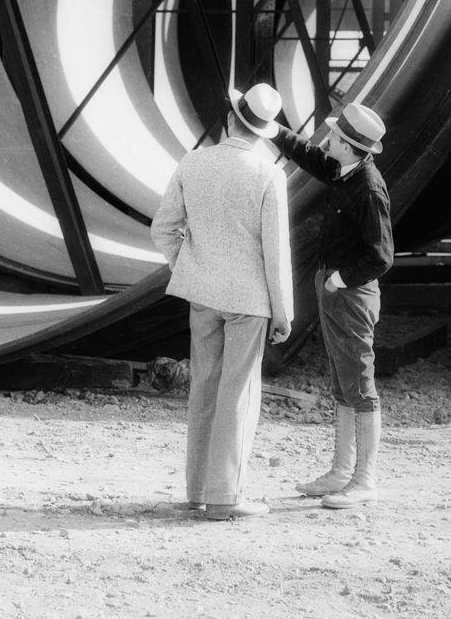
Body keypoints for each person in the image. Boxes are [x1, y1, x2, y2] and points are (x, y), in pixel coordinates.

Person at [150, 81, 294, 520]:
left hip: (203, 293)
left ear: (232, 119)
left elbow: (162, 229)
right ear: (264, 132)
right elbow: (276, 251)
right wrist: (284, 312)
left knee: (204, 391)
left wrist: (188, 265)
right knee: (239, 395)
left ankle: (196, 491)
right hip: (249, 301)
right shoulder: (270, 175)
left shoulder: (194, 163)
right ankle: (225, 497)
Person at [269, 99, 392, 508]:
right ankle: (342, 472)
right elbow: (308, 155)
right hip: (336, 285)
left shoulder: (369, 189)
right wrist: (273, 128)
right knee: (343, 381)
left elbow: (381, 256)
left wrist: (338, 280)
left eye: (335, 136)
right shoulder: (344, 170)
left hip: (351, 291)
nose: (329, 139)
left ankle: (364, 479)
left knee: (359, 383)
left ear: (348, 146)